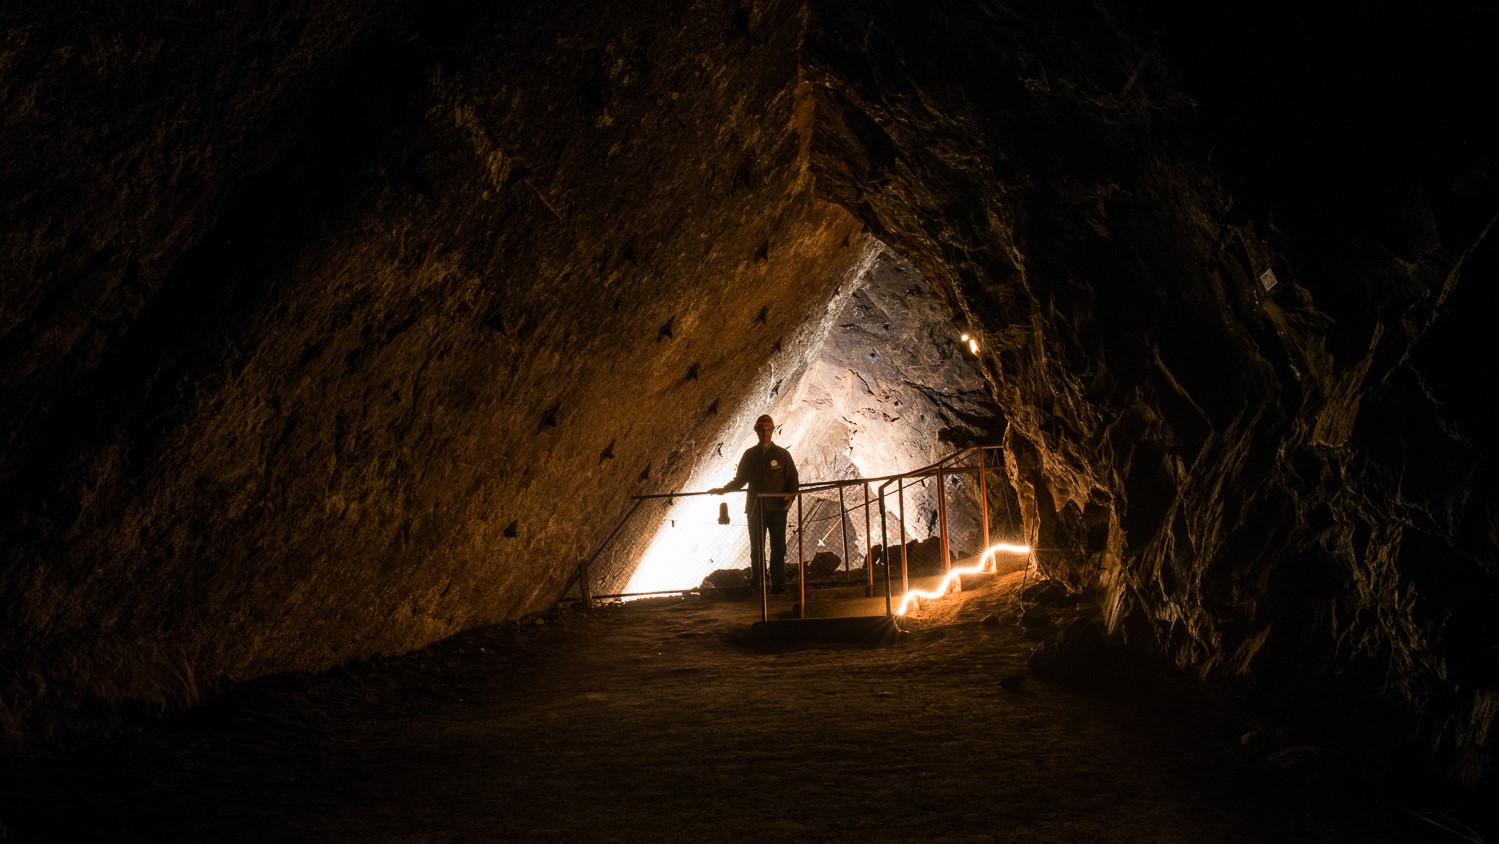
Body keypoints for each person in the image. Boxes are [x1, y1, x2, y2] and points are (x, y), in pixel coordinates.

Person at [710, 414, 799, 594]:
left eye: (767, 428)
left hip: (777, 508)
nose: (765, 432)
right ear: (756, 431)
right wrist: (723, 489)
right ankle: (758, 583)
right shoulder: (750, 455)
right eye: (761, 429)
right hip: (755, 509)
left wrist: (791, 497)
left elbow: (792, 479)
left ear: (773, 430)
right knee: (757, 547)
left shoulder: (783, 455)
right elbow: (740, 480)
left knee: (778, 547)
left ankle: (778, 585)